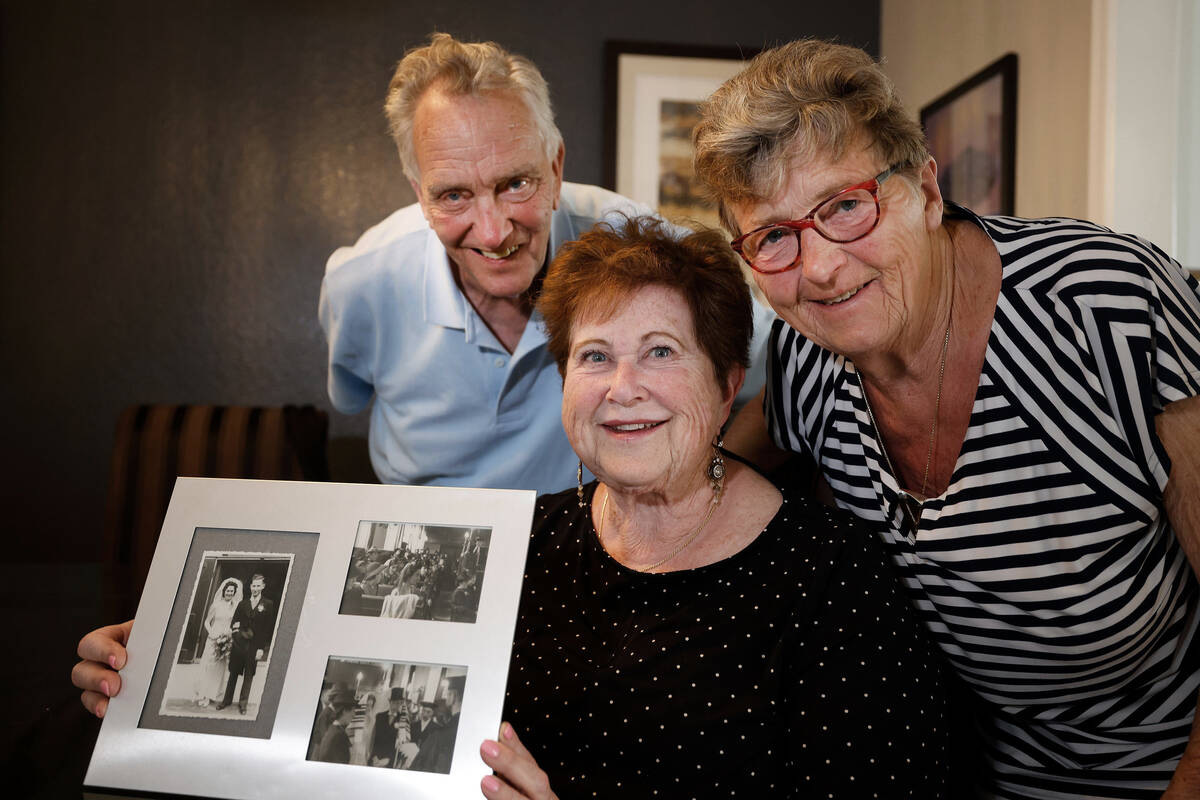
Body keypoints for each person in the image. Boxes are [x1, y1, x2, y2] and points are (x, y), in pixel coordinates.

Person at [692, 38, 1200, 799]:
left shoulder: (1107, 305)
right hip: (957, 767)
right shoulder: (807, 361)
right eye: (774, 238)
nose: (822, 267)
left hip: (1162, 759)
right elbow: (705, 470)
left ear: (927, 192)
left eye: (845, 207)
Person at [476, 216, 967, 798]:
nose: (623, 387)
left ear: (726, 385)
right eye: (594, 357)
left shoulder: (833, 577)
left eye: (660, 351)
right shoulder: (516, 543)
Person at [317, 33, 771, 493]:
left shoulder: (638, 245)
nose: (493, 233)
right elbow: (350, 397)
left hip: (595, 532)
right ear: (419, 194)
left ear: (555, 169)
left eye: (515, 183)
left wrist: (713, 479)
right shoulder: (361, 283)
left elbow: (782, 362)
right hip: (430, 536)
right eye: (453, 195)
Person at [217, 574, 276, 715]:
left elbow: (268, 629)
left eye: (258, 586)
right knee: (233, 674)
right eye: (253, 585)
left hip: (254, 646)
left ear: (262, 586)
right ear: (250, 587)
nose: (255, 588)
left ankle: (243, 704)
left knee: (248, 675)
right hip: (239, 645)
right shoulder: (242, 603)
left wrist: (261, 649)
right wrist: (237, 634)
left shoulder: (268, 604)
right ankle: (226, 700)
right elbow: (234, 623)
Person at [193, 576, 239, 708]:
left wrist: (231, 633)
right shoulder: (216, 605)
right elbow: (207, 621)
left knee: (219, 668)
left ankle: (212, 694)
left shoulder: (234, 606)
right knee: (209, 667)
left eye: (232, 591)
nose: (229, 593)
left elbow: (234, 622)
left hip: (226, 639)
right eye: (227, 591)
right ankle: (203, 695)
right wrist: (212, 632)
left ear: (234, 593)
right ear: (223, 591)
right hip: (214, 638)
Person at [313, 688, 357, 764]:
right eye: (353, 711)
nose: (354, 715)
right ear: (344, 711)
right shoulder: (338, 734)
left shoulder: (334, 728)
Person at [369, 687, 409, 768]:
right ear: (389, 701)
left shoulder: (402, 720)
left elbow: (402, 744)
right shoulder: (380, 716)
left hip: (390, 760)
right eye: (394, 702)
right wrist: (374, 756)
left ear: (401, 704)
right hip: (375, 758)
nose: (396, 706)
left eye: (398, 703)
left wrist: (388, 759)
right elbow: (374, 738)